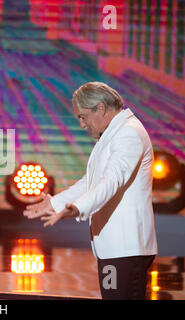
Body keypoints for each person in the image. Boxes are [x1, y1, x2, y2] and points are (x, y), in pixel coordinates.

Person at [23, 82, 158, 300]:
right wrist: (56, 202)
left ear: (101, 108)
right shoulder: (113, 135)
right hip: (117, 249)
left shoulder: (128, 134)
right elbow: (91, 182)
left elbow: (111, 181)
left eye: (83, 116)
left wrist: (77, 208)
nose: (82, 124)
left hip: (125, 248)